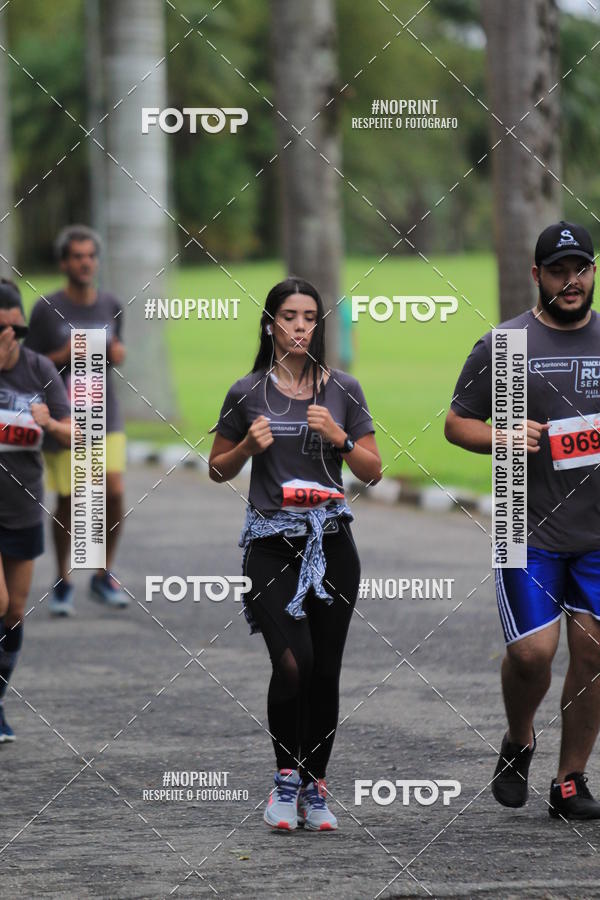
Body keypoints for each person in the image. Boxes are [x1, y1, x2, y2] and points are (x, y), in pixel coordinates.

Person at [209, 277, 381, 832]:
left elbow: (373, 471)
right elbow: (217, 468)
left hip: (331, 544)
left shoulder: (344, 390)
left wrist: (341, 437)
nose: (300, 325)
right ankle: (285, 778)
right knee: (293, 662)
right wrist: (245, 447)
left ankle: (315, 787)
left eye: (310, 316)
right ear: (270, 323)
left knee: (325, 670)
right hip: (269, 544)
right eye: (289, 315)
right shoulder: (246, 392)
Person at [445, 221, 600, 820]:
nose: (571, 281)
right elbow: (457, 425)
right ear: (537, 276)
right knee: (534, 653)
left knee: (594, 653)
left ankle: (570, 781)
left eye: (580, 268)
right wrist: (504, 436)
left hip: (596, 533)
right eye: (558, 270)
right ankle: (519, 739)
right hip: (524, 525)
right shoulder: (506, 345)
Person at [25, 224, 128, 615]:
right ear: (64, 262)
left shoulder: (112, 305)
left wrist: (117, 353)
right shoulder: (46, 310)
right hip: (67, 417)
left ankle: (103, 574)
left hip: (106, 413)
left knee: (113, 491)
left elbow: (116, 347)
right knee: (72, 499)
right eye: (78, 257)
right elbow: (30, 364)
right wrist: (65, 352)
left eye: (91, 256)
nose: (86, 263)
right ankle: (63, 579)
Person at [0, 279, 70, 740]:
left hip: (23, 505)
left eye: (11, 328)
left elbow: (77, 434)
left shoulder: (38, 369)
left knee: (13, 615)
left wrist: (51, 424)